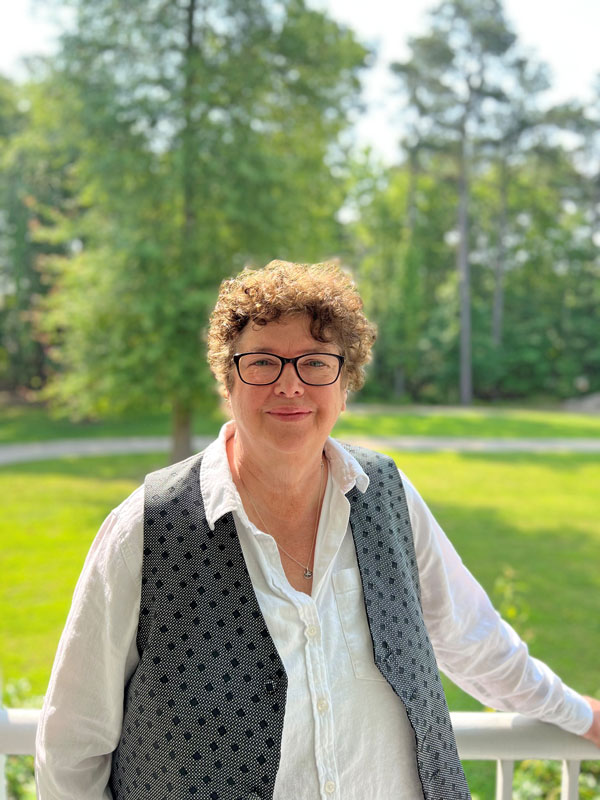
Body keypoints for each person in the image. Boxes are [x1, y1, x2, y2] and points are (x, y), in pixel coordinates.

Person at [36, 259, 599, 800]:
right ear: (226, 379)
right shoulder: (145, 527)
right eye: (261, 362)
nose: (289, 385)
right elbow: (72, 749)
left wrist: (581, 713)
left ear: (344, 382)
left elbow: (473, 639)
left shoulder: (388, 497)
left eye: (315, 362)